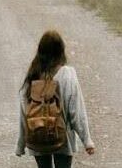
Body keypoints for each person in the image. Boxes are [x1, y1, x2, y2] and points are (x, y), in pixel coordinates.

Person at [16, 30, 96, 166]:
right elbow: (76, 111)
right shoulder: (67, 75)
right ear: (61, 51)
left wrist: (21, 144)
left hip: (37, 135)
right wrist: (87, 140)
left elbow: (25, 112)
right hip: (62, 137)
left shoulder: (33, 74)